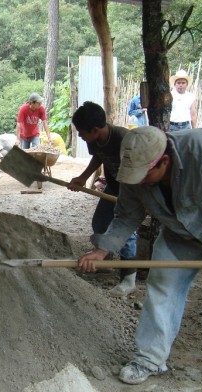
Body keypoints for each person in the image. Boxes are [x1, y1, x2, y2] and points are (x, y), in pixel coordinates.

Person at [76, 126, 202, 392]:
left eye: (145, 177)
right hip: (178, 235)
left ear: (164, 161)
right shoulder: (134, 169)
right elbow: (126, 216)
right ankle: (149, 358)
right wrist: (103, 250)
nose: (139, 183)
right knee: (161, 293)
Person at [68, 101, 137, 297]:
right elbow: (97, 157)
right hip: (113, 186)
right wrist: (82, 177)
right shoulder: (94, 140)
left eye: (81, 132)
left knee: (127, 233)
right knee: (99, 222)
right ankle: (106, 257)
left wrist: (129, 200)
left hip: (131, 190)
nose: (80, 136)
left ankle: (128, 278)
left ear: (95, 129)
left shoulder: (125, 140)